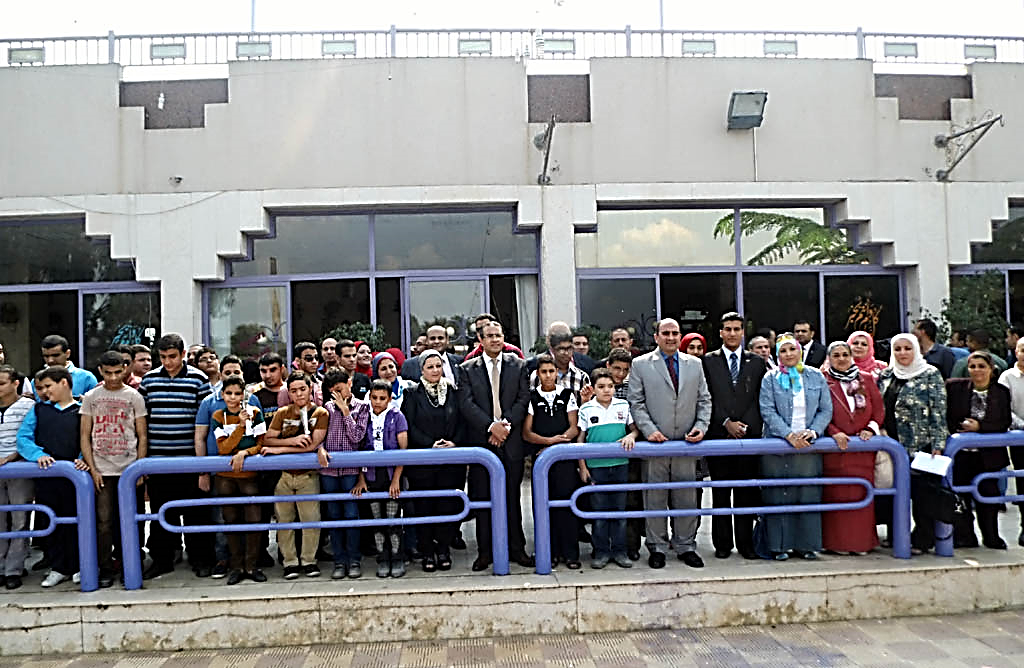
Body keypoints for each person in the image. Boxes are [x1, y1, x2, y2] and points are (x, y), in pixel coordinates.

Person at [628, 317, 711, 569]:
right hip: (655, 445)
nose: (671, 337)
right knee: (654, 498)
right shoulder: (641, 364)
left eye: (675, 333)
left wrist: (701, 426)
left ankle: (686, 546)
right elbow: (636, 402)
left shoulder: (694, 364)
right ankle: (657, 547)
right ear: (656, 337)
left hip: (686, 444)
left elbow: (704, 400)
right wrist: (649, 431)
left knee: (686, 498)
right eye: (666, 333)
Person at [458, 319, 533, 571]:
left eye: (498, 335)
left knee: (512, 498)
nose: (495, 340)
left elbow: (523, 398)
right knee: (483, 499)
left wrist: (505, 426)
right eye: (489, 336)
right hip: (482, 444)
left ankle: (517, 549)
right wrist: (491, 427)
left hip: (510, 443)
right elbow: (466, 404)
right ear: (480, 340)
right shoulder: (467, 369)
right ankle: (485, 552)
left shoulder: (518, 365)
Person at [137, 333, 214, 580]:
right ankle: (162, 560)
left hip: (189, 459)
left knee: (196, 513)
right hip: (159, 460)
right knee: (161, 513)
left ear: (183, 354)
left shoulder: (198, 379)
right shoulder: (149, 381)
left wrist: (202, 466)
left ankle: (200, 559)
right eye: (163, 357)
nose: (168, 362)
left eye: (172, 356)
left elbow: (205, 422)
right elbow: (143, 421)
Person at [757, 334, 832, 560]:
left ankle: (807, 545)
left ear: (800, 351)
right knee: (778, 495)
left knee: (807, 493)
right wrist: (788, 435)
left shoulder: (816, 376)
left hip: (808, 445)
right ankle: (779, 545)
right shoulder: (770, 378)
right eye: (783, 350)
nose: (788, 354)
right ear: (777, 355)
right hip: (778, 445)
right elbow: (767, 410)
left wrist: (813, 431)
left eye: (792, 349)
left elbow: (825, 409)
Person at [78, 353, 147, 589]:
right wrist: (93, 469)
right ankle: (105, 568)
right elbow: (85, 436)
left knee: (131, 521)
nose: (114, 377)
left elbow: (142, 435)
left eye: (118, 372)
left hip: (128, 468)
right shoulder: (91, 397)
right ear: (100, 370)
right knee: (103, 522)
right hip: (101, 468)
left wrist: (139, 467)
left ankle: (131, 565)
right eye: (108, 373)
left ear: (126, 369)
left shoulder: (134, 396)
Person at [702, 312, 767, 560]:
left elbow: (758, 399)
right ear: (720, 333)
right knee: (720, 493)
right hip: (719, 435)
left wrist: (744, 427)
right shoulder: (708, 361)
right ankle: (722, 544)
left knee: (745, 493)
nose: (732, 333)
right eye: (727, 329)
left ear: (743, 332)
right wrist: (726, 423)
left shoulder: (756, 362)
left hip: (747, 437)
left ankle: (745, 544)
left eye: (736, 329)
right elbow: (706, 397)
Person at [877, 333, 948, 553]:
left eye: (907, 348)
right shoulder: (886, 374)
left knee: (922, 494)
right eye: (897, 349)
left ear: (916, 350)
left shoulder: (930, 374)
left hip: (922, 444)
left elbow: (939, 410)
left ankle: (923, 539)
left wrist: (938, 443)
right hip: (891, 445)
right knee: (893, 492)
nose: (902, 353)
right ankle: (895, 535)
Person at [16, 366, 85, 588]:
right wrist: (38, 455)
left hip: (77, 479)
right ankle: (58, 567)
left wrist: (83, 458)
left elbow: (89, 438)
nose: (44, 392)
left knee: (79, 521)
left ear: (64, 382)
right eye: (41, 388)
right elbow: (24, 438)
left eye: (48, 386)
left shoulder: (83, 410)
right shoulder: (38, 410)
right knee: (52, 521)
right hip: (47, 476)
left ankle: (80, 565)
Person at [401, 349, 465, 573]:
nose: (435, 370)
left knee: (447, 505)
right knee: (424, 507)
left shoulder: (453, 390)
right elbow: (409, 425)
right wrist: (430, 444)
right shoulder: (412, 393)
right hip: (423, 462)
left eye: (438, 366)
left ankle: (444, 549)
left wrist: (454, 442)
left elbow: (462, 420)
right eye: (430, 367)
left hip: (450, 460)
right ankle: (427, 551)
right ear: (421, 370)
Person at [262, 371, 328, 579]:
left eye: (302, 389)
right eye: (293, 390)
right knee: (284, 521)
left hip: (308, 475)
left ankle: (309, 560)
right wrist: (290, 441)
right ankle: (289, 561)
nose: (299, 394)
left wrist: (280, 450)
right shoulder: (282, 413)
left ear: (310, 389)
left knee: (311, 519)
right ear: (288, 393)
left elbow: (312, 444)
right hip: (283, 475)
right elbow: (268, 439)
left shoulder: (321, 413)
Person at [821, 341, 884, 555]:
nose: (841, 359)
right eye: (836, 355)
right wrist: (833, 431)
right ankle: (837, 544)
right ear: (829, 358)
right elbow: (819, 411)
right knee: (837, 496)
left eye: (845, 355)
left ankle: (861, 543)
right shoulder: (823, 380)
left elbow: (879, 410)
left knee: (862, 496)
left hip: (862, 450)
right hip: (836, 450)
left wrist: (870, 428)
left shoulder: (865, 379)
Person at [946, 351, 1012, 549]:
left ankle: (991, 537)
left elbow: (1004, 422)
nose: (977, 371)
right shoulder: (955, 388)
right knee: (961, 498)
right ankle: (965, 536)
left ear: (991, 369)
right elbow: (948, 417)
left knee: (989, 497)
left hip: (988, 456)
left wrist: (980, 427)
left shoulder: (1001, 392)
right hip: (961, 455)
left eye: (982, 366)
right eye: (972, 366)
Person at [523, 354, 580, 569]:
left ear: (557, 373)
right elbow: (527, 433)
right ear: (538, 374)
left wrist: (556, 445)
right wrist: (547, 442)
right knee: (543, 504)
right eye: (544, 372)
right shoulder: (532, 398)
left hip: (564, 458)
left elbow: (574, 427)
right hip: (540, 460)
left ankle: (570, 553)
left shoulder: (567, 395)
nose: (548, 375)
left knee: (567, 503)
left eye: (551, 371)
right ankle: (550, 551)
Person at [578, 368, 638, 569]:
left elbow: (635, 429)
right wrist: (583, 467)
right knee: (600, 513)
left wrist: (631, 436)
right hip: (596, 468)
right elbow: (580, 439)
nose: (606, 390)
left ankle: (620, 551)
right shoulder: (586, 409)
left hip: (620, 466)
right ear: (593, 388)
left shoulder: (623, 405)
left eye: (610, 386)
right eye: (601, 386)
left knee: (620, 513)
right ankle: (601, 551)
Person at [212, 376, 267, 584]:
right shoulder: (218, 416)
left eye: (237, 393)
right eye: (229, 393)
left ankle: (251, 566)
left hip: (250, 475)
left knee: (254, 520)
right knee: (231, 521)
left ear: (244, 395)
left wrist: (245, 452)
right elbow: (223, 448)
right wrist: (240, 427)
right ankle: (236, 566)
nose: (233, 398)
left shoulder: (256, 413)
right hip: (225, 477)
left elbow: (261, 444)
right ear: (222, 395)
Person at [352, 380, 409, 578]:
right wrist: (361, 479)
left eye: (382, 398)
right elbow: (359, 449)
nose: (377, 402)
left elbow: (403, 450)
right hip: (371, 475)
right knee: (377, 521)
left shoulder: (397, 417)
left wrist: (396, 479)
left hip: (391, 474)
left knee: (393, 519)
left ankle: (397, 557)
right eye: (374, 398)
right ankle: (382, 558)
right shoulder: (364, 417)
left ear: (389, 399)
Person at [318, 369, 370, 580]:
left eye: (340, 389)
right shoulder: (326, 409)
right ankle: (339, 560)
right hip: (329, 470)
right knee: (333, 515)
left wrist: (346, 411)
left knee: (351, 514)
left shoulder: (362, 407)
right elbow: (318, 435)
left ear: (349, 383)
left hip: (350, 470)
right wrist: (320, 448)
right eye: (333, 392)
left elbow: (357, 437)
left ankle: (354, 559)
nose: (337, 395)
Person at [0, 366, 37, 590]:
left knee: (19, 519)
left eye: (1, 383)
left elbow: (30, 437)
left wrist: (12, 457)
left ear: (15, 383)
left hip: (19, 467)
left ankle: (13, 568)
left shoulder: (28, 407)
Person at [606, 347, 643, 560]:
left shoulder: (633, 388)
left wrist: (633, 434)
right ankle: (605, 546)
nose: (620, 374)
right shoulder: (597, 386)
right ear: (608, 366)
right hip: (602, 455)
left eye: (625, 370)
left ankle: (631, 546)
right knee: (604, 501)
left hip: (629, 452)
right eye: (616, 368)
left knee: (631, 501)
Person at [998, 338, 1024, 546]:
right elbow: (1004, 407)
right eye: (1023, 350)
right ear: (1016, 352)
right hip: (1019, 438)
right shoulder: (1007, 377)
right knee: (1022, 481)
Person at [528, 323, 593, 403]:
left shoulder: (581, 377)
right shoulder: (537, 375)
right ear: (552, 350)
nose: (566, 353)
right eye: (561, 349)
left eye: (569, 348)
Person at [35, 334, 98, 400]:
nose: (50, 360)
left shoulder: (86, 377)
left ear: (68, 353)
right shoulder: (37, 380)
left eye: (56, 355)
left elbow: (97, 403)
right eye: (46, 356)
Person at [278, 342, 324, 407]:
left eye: (316, 358)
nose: (314, 362)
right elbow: (283, 412)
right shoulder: (286, 389)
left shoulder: (320, 384)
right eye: (309, 359)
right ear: (297, 361)